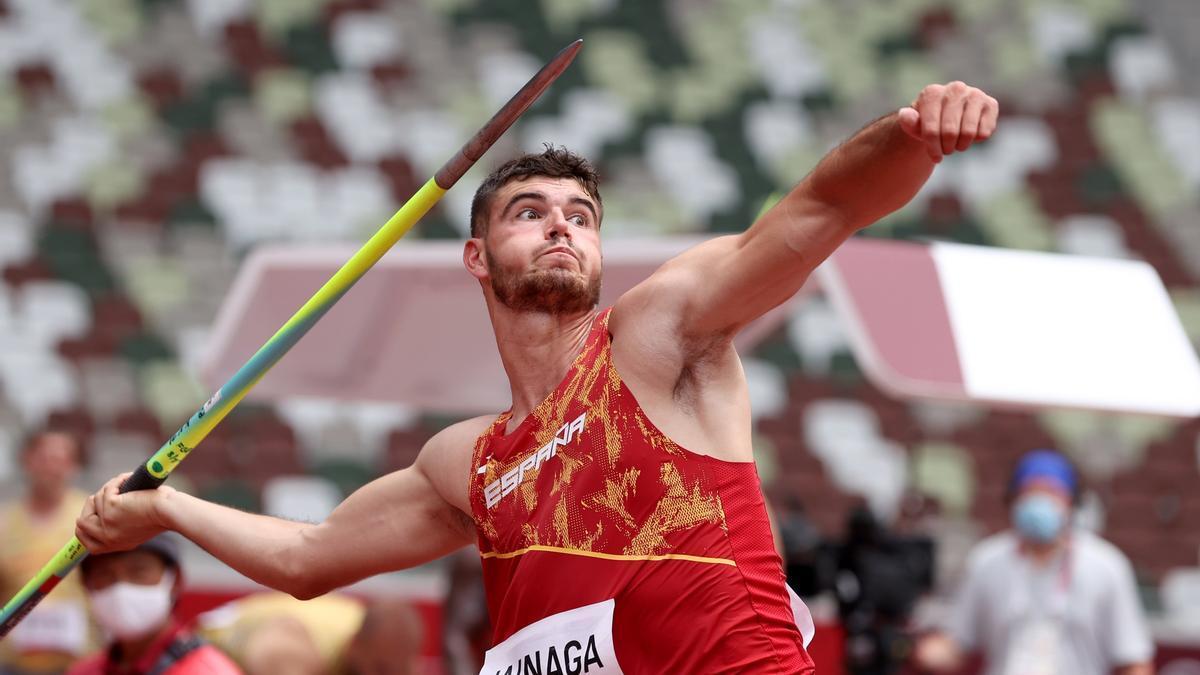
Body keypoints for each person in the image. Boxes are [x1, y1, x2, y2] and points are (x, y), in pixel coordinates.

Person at [76, 81, 999, 673]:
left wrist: (916, 134)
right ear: (478, 257)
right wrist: (165, 509)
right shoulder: (467, 461)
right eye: (530, 212)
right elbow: (311, 560)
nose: (562, 227)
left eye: (581, 216)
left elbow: (819, 208)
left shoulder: (657, 335)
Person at [915, 449, 1155, 675]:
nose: (1040, 501)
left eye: (1051, 493)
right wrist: (920, 649)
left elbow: (1134, 660)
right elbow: (957, 644)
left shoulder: (1106, 566)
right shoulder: (987, 560)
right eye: (1030, 493)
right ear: (1013, 500)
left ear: (1072, 503)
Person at [67, 535, 240, 675]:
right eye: (104, 575)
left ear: (175, 580)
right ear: (86, 586)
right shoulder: (83, 671)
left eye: (138, 571)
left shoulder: (207, 671)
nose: (121, 587)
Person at [1, 431, 93, 675]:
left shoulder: (92, 516)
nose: (51, 467)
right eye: (43, 458)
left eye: (61, 459)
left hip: (79, 661)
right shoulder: (3, 524)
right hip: (13, 663)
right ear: (26, 460)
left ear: (74, 466)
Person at [196, 592, 423, 675]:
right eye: (380, 670)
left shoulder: (385, 644)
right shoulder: (296, 651)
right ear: (354, 645)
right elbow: (268, 658)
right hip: (197, 649)